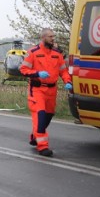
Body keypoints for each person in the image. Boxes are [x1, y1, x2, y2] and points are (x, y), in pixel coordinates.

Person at [19, 28, 72, 157]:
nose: (53, 38)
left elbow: (63, 71)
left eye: (54, 36)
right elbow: (23, 69)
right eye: (50, 36)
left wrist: (67, 81)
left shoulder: (57, 54)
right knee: (41, 115)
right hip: (37, 90)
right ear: (43, 38)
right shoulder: (33, 52)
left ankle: (34, 135)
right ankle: (42, 146)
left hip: (52, 90)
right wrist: (37, 73)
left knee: (48, 116)